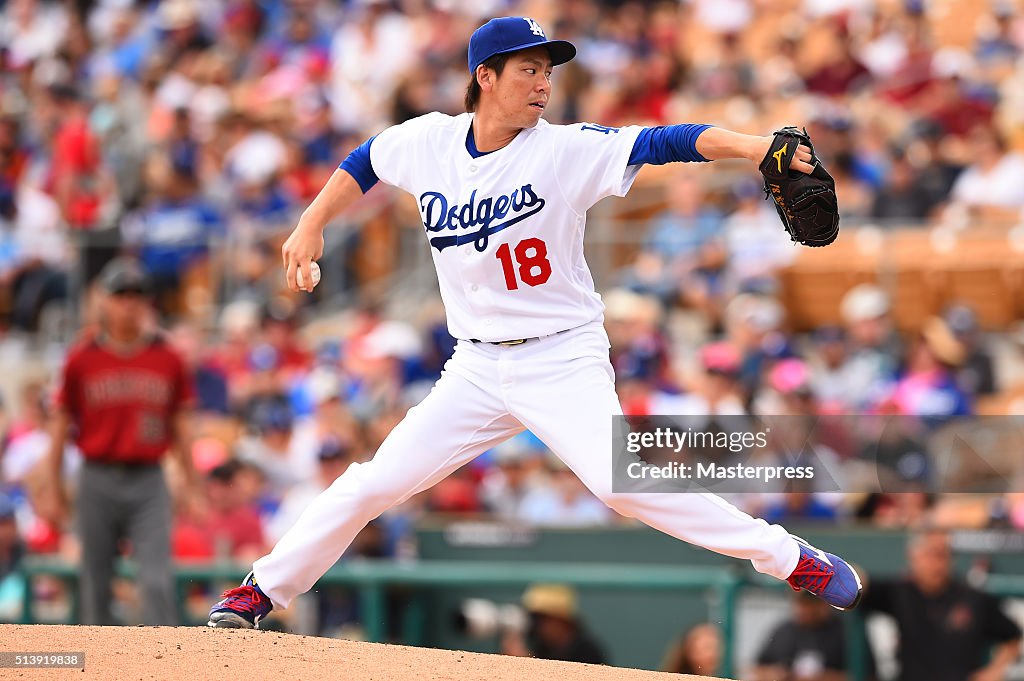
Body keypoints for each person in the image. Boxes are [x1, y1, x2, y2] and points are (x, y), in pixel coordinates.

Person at [209, 16, 862, 629]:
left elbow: (669, 140)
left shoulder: (562, 150)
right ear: (484, 77)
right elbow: (365, 162)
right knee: (374, 481)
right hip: (475, 366)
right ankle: (260, 590)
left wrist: (754, 147)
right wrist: (311, 223)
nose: (544, 82)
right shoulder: (428, 142)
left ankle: (791, 558)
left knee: (619, 483)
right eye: (528, 69)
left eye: (548, 70)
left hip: (561, 356)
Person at [39, 257, 197, 625]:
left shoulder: (167, 356)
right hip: (97, 476)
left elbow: (181, 425)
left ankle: (166, 664)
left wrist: (192, 482)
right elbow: (61, 425)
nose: (129, 303)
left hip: (148, 477)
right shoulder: (81, 357)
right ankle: (97, 669)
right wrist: (52, 483)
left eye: (137, 295)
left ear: (147, 303)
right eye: (121, 294)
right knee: (95, 580)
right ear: (104, 301)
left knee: (156, 579)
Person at [861, 530, 1022, 681]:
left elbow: (1012, 636)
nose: (936, 564)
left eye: (943, 555)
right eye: (929, 555)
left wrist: (993, 672)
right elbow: (862, 586)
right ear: (913, 557)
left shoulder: (972, 597)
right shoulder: (899, 591)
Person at [500, 583, 608, 665]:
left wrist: (527, 664)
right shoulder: (543, 646)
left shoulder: (587, 651)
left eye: (542, 617)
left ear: (561, 620)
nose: (537, 624)